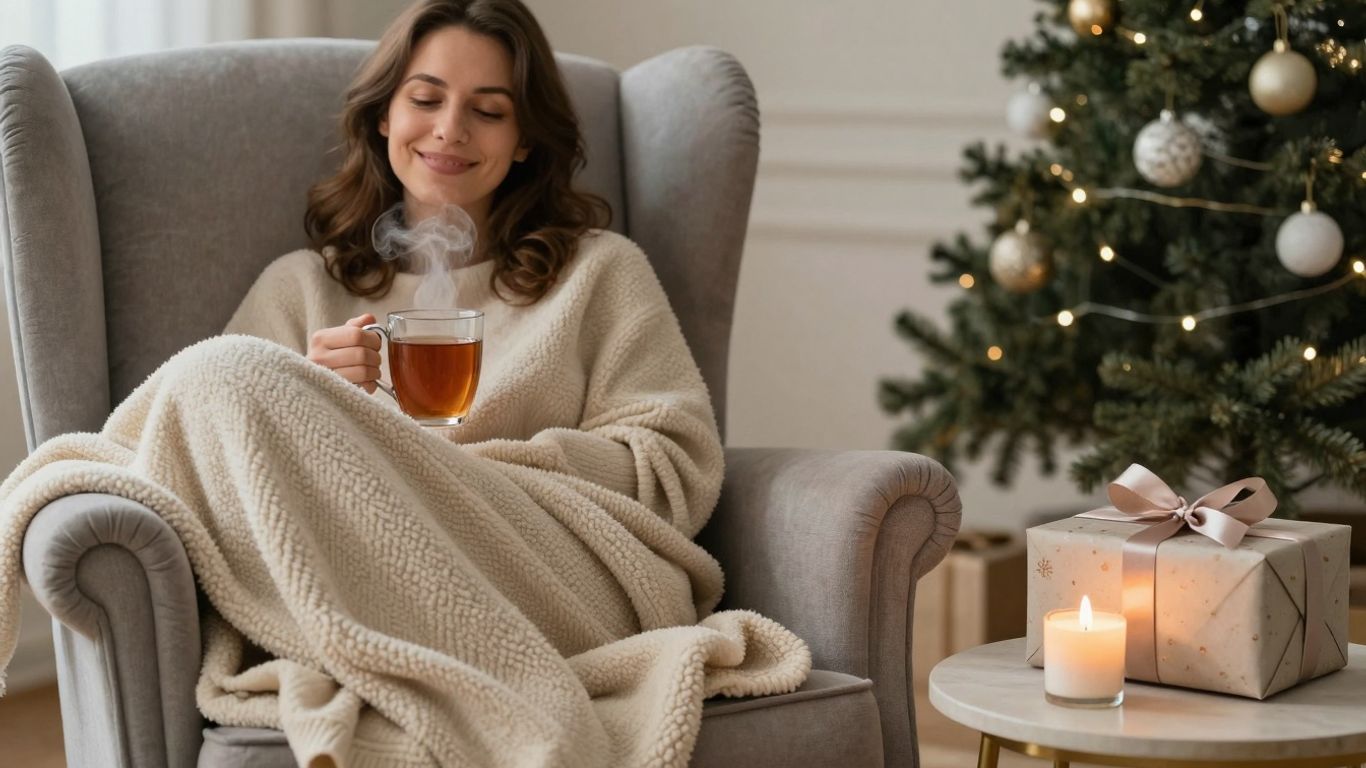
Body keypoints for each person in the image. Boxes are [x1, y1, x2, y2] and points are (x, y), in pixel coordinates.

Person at [0, 1, 809, 766]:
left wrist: (471, 476)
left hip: (553, 580)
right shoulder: (300, 291)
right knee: (227, 374)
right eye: (426, 99)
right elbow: (209, 462)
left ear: (525, 138)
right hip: (368, 585)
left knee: (228, 372)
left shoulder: (599, 274)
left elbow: (677, 465)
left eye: (489, 110)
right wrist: (309, 405)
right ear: (385, 114)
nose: (450, 131)